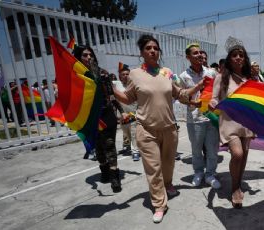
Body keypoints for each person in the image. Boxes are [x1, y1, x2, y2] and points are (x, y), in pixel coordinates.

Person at [113, 34, 204, 223]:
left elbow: (179, 94)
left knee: (168, 164)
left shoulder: (167, 72)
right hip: (146, 130)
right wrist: (112, 91)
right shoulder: (135, 74)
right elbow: (129, 98)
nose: (153, 51)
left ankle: (168, 184)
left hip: (169, 128)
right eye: (148, 48)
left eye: (155, 48)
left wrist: (195, 96)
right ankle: (159, 204)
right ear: (142, 52)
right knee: (153, 169)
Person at [208, 38, 255, 208]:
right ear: (229, 58)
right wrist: (212, 104)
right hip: (229, 123)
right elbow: (214, 99)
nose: (238, 58)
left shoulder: (249, 78)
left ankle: (238, 183)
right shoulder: (222, 77)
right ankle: (234, 187)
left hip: (247, 122)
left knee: (245, 156)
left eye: (241, 55)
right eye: (234, 55)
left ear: (245, 59)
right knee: (237, 154)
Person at [73, 45, 126, 193]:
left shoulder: (103, 74)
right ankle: (104, 171)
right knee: (98, 147)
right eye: (84, 55)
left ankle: (115, 177)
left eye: (90, 55)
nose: (89, 57)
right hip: (90, 117)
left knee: (109, 144)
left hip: (106, 114)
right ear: (78, 58)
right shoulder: (75, 77)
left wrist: (122, 112)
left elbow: (111, 96)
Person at [178, 43, 221, 189]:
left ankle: (210, 175)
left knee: (212, 149)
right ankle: (198, 173)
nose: (200, 55)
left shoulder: (211, 73)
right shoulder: (183, 76)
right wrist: (193, 100)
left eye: (200, 53)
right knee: (196, 149)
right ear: (188, 57)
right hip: (194, 119)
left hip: (211, 117)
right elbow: (181, 97)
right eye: (195, 53)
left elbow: (218, 92)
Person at [117, 62, 140, 161]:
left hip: (133, 113)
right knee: (127, 133)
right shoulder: (116, 85)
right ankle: (132, 147)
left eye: (127, 74)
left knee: (134, 132)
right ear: (120, 76)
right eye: (123, 74)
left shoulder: (134, 85)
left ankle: (135, 151)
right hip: (122, 115)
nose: (126, 76)